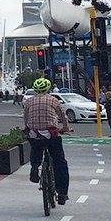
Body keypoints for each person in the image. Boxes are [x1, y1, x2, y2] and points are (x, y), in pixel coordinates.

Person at [23, 76, 71, 204]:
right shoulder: (53, 100)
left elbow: (26, 119)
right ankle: (62, 193)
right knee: (60, 162)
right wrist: (65, 128)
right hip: (51, 134)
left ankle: (34, 167)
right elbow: (63, 116)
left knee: (36, 148)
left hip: (35, 134)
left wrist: (27, 128)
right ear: (48, 88)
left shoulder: (28, 102)